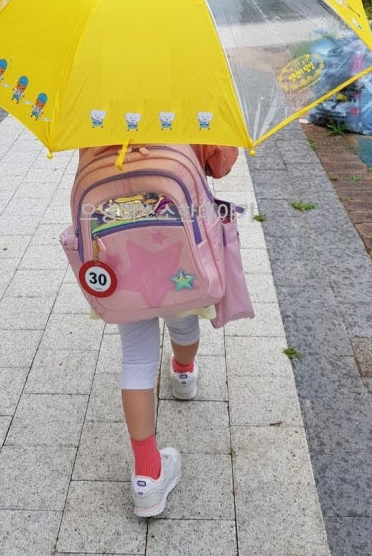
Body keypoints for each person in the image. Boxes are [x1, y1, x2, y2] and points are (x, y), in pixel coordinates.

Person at [75, 143, 238, 518]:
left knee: (136, 356)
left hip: (119, 259)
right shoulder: (188, 107)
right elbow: (221, 162)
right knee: (184, 317)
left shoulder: (92, 114)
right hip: (179, 251)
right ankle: (183, 374)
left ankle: (147, 475)